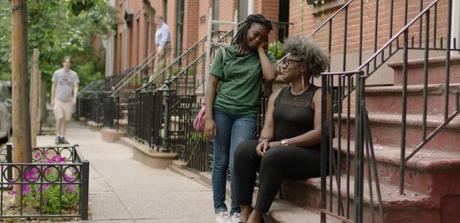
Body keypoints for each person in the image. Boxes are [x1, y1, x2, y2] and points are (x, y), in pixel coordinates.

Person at [233, 37, 330, 223]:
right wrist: (264, 141)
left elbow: (320, 133)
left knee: (274, 155)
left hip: (311, 155)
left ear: (303, 67)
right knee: (244, 150)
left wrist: (282, 144)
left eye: (288, 62)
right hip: (279, 153)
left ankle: (257, 215)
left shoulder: (319, 95)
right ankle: (244, 211)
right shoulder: (277, 95)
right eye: (283, 61)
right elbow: (268, 127)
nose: (283, 66)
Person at [204, 14, 278, 223]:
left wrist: (262, 50)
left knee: (238, 162)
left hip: (245, 114)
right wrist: (209, 118)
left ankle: (237, 209)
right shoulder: (225, 53)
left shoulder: (262, 57)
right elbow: (211, 86)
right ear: (246, 30)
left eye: (262, 38)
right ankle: (220, 208)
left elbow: (271, 75)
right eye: (255, 35)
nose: (256, 40)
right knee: (221, 160)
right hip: (222, 111)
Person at [51, 56, 79, 145]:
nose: (67, 63)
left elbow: (75, 86)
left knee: (66, 119)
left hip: (68, 101)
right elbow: (54, 86)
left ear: (70, 64)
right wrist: (52, 98)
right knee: (59, 117)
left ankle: (62, 137)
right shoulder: (57, 73)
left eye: (69, 62)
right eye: (66, 62)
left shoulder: (74, 74)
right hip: (58, 99)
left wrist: (74, 97)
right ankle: (57, 136)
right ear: (63, 63)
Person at [153, 15, 171, 82]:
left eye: (157, 21)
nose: (156, 22)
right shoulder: (159, 27)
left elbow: (164, 38)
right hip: (159, 46)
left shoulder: (164, 27)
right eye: (155, 21)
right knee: (159, 62)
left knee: (160, 62)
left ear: (161, 20)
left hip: (164, 45)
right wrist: (157, 46)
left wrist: (160, 48)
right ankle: (158, 79)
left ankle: (158, 80)